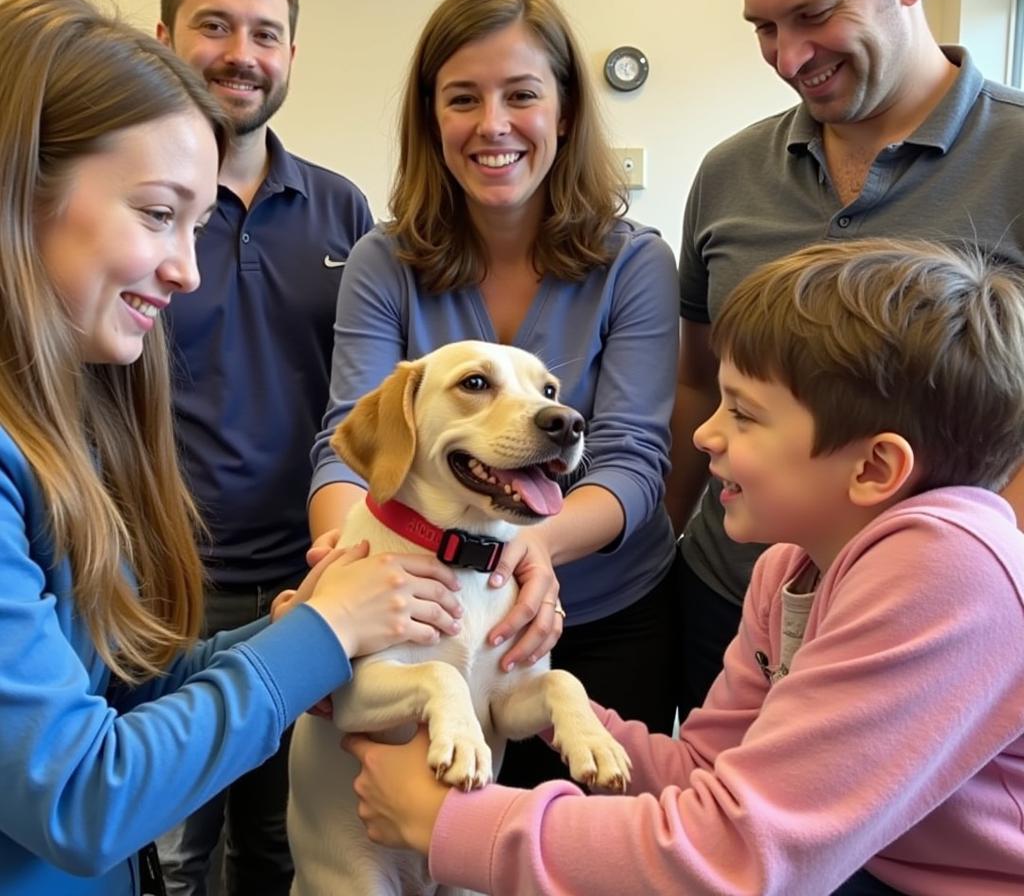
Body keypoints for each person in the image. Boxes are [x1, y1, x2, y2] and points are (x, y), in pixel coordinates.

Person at [344, 237, 1024, 896]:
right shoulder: (788, 568)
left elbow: (735, 858)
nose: (703, 434)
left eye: (744, 415)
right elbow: (704, 770)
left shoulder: (948, 570)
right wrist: (549, 705)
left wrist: (453, 824)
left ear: (874, 468)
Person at [0, 0, 463, 896]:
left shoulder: (70, 434)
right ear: (23, 191)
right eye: (157, 213)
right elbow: (81, 793)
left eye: (197, 221)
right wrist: (325, 634)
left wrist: (289, 630)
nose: (187, 267)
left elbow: (115, 686)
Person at [666, 0, 1024, 719]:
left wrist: (969, 590)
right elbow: (697, 383)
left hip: (921, 639)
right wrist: (658, 557)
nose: (789, 58)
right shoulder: (728, 174)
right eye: (764, 26)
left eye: (815, 14)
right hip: (726, 599)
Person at [307, 0, 680, 787]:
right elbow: (348, 440)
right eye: (462, 99)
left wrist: (524, 547)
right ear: (431, 117)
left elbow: (633, 458)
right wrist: (346, 559)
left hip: (610, 614)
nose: (493, 125)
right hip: (428, 607)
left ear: (567, 112)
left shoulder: (637, 262)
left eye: (522, 95)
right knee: (432, 839)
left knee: (594, 853)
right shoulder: (385, 261)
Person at [152, 0, 373, 896]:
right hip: (158, 587)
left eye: (267, 34)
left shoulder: (342, 211)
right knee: (167, 846)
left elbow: (370, 410)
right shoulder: (134, 206)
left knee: (288, 843)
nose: (243, 52)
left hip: (310, 584)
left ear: (290, 55)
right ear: (163, 37)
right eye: (215, 25)